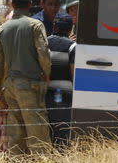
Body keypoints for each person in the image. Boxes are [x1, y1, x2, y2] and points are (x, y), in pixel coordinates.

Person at [0, 0, 51, 155]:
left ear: (12, 4)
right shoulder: (35, 25)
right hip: (30, 85)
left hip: (10, 88)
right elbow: (44, 54)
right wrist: (46, 74)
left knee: (15, 137)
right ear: (30, 5)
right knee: (38, 135)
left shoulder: (2, 29)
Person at [45, 15, 75, 145]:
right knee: (62, 131)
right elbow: (73, 72)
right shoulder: (72, 46)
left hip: (45, 93)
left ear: (54, 26)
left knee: (47, 129)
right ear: (70, 30)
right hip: (64, 95)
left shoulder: (44, 42)